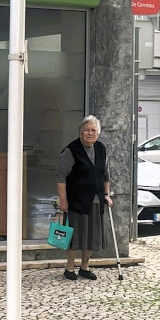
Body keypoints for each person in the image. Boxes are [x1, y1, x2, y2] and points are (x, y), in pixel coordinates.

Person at [55, 115, 112, 280]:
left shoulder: (101, 149)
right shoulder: (71, 150)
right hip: (76, 200)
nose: (90, 133)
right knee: (76, 235)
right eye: (86, 130)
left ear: (98, 133)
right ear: (80, 132)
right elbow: (60, 176)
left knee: (92, 235)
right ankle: (69, 268)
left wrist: (106, 195)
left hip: (96, 200)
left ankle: (85, 267)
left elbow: (106, 175)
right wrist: (63, 201)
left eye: (93, 130)